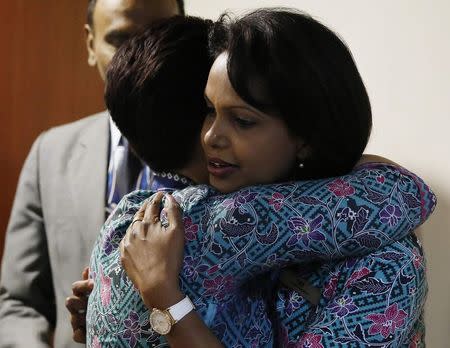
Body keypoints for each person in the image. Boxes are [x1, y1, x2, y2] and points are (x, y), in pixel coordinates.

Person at [81, 11, 435, 347]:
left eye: (243, 120)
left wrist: (165, 301)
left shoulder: (385, 266)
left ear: (307, 136)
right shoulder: (177, 223)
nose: (211, 137)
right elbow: (407, 193)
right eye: (210, 111)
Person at [0, 1, 184, 347]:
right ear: (89, 44)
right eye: (119, 40)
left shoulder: (223, 156)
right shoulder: (50, 153)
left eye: (156, 37)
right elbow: (19, 301)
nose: (138, 58)